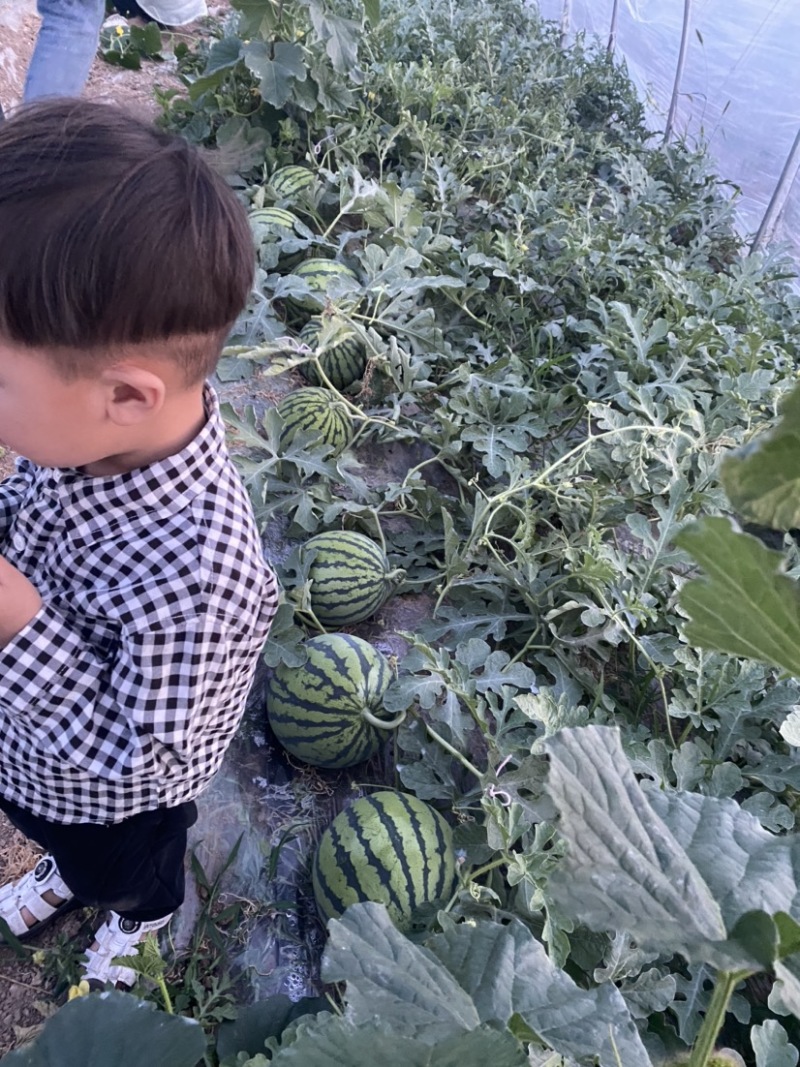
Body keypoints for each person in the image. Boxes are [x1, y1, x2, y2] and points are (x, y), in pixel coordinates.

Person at [0, 98, 279, 989]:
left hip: (115, 805)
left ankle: (141, 912)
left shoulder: (199, 572)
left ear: (126, 395)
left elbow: (140, 760)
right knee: (56, 835)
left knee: (121, 862)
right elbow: (30, 511)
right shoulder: (81, 437)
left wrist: (13, 619)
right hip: (33, 762)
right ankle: (62, 870)